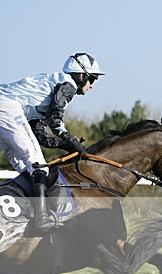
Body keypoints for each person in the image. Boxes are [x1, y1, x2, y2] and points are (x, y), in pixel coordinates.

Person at [0, 52, 104, 232]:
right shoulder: (68, 85)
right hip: (7, 106)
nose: (92, 85)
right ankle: (41, 219)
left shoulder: (48, 89)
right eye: (92, 79)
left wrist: (65, 145)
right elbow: (56, 122)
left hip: (6, 107)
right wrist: (73, 143)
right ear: (81, 75)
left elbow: (39, 133)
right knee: (39, 166)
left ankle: (19, 214)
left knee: (26, 168)